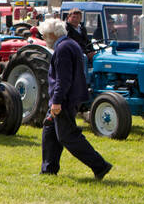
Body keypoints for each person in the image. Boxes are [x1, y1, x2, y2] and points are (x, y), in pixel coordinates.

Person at [39, 18, 111, 180]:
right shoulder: (71, 44)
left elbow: (63, 80)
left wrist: (56, 101)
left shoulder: (63, 49)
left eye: (44, 36)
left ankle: (100, 166)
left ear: (52, 35)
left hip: (65, 99)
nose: (44, 39)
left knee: (68, 136)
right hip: (70, 97)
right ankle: (48, 169)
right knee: (49, 130)